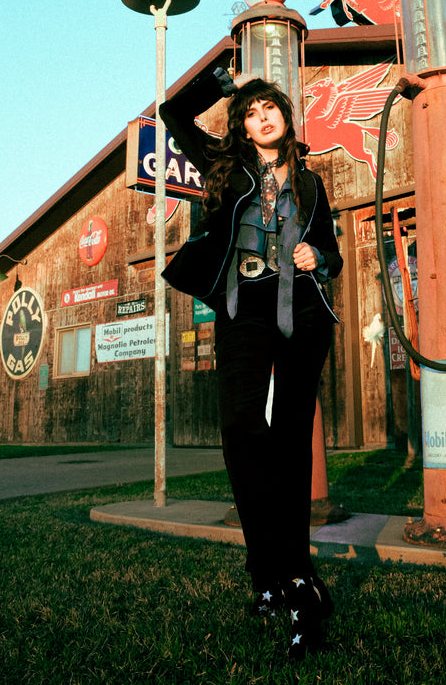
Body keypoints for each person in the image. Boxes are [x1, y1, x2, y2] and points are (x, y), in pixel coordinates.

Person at [160, 67, 343, 661]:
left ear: (286, 118)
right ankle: (280, 571)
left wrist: (320, 254)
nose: (262, 119)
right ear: (242, 124)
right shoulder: (224, 166)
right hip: (245, 306)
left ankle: (288, 580)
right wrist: (223, 82)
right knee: (241, 428)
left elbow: (334, 255)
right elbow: (172, 117)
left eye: (270, 109)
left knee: (291, 445)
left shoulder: (312, 183)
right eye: (251, 112)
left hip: (303, 313)